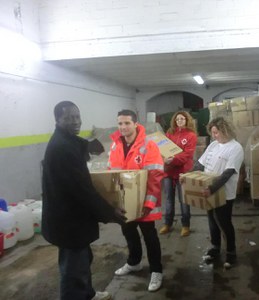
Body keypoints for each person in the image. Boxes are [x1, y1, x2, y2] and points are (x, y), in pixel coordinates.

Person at [41, 101, 127, 300]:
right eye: (68, 118)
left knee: (83, 259)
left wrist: (89, 146)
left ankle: (87, 294)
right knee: (73, 270)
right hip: (68, 221)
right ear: (57, 120)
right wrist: (109, 212)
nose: (75, 122)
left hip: (72, 219)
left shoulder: (66, 141)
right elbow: (83, 191)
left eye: (77, 117)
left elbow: (75, 143)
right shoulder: (62, 149)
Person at [108, 109, 164, 292]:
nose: (123, 127)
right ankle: (134, 262)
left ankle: (156, 271)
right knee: (129, 233)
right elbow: (111, 174)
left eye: (127, 123)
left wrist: (148, 204)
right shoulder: (115, 145)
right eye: (120, 123)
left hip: (145, 203)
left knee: (150, 237)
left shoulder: (149, 146)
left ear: (135, 123)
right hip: (124, 203)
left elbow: (155, 176)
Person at [189, 117, 244, 269]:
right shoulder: (213, 145)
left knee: (224, 223)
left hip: (224, 192)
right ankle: (215, 248)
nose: (214, 135)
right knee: (212, 221)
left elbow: (228, 173)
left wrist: (212, 188)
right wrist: (188, 177)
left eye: (216, 132)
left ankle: (231, 254)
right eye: (212, 132)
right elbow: (200, 164)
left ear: (225, 130)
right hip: (209, 191)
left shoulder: (235, 148)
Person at [159, 111, 198, 237]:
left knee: (183, 200)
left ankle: (185, 225)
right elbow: (163, 150)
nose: (179, 121)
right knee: (169, 200)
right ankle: (167, 223)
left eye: (182, 119)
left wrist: (173, 159)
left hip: (183, 172)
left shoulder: (191, 135)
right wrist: (163, 159)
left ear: (187, 120)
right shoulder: (169, 134)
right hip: (169, 172)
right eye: (177, 119)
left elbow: (187, 155)